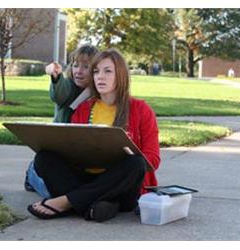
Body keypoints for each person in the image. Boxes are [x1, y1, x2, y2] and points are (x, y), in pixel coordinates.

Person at [27, 49, 160, 222]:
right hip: (85, 179)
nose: (100, 76)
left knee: (136, 163)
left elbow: (153, 160)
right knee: (44, 158)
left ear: (120, 75)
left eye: (107, 71)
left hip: (120, 184)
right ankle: (98, 205)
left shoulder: (141, 110)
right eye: (96, 71)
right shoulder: (83, 109)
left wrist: (126, 152)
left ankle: (67, 202)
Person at [24, 44, 99, 196]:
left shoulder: (97, 92)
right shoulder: (69, 88)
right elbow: (59, 94)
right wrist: (56, 77)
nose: (78, 71)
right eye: (75, 65)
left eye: (85, 67)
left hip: (80, 154)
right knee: (57, 193)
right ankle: (32, 176)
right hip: (60, 150)